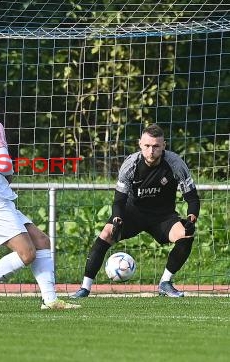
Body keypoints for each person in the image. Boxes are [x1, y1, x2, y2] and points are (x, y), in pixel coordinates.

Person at [0, 89, 80, 310]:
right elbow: (3, 165)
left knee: (41, 241)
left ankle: (50, 300)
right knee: (27, 253)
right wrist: (9, 173)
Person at [70, 124, 200, 298]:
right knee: (106, 233)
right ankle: (84, 288)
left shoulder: (175, 163)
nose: (151, 150)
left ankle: (165, 283)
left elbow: (192, 197)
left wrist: (191, 219)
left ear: (164, 146)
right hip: (133, 213)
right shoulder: (131, 164)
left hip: (162, 216)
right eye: (147, 146)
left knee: (186, 235)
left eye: (156, 146)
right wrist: (117, 217)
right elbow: (119, 200)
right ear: (140, 144)